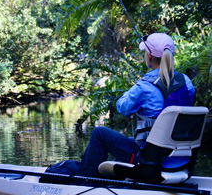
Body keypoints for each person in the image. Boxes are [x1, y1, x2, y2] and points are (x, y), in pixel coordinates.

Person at [76, 33, 195, 178]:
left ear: (149, 56)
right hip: (180, 159)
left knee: (99, 133)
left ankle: (84, 181)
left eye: (145, 52)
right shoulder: (187, 82)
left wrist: (135, 88)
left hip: (149, 160)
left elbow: (123, 108)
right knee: (130, 141)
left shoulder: (145, 86)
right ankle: (116, 180)